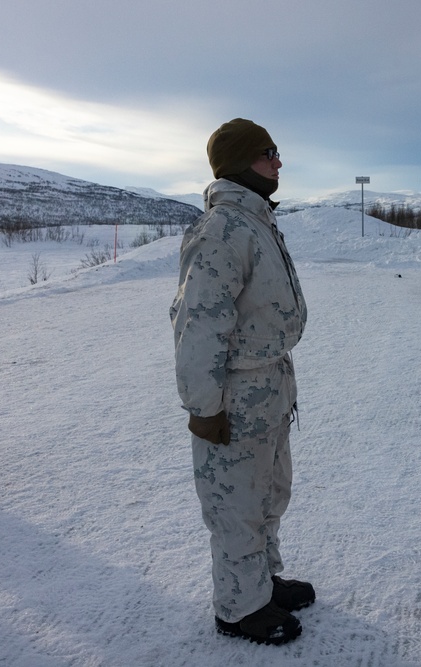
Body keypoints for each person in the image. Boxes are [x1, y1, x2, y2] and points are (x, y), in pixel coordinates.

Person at [170, 118, 312, 645]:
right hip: (235, 394)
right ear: (239, 161)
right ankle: (238, 606)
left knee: (269, 493)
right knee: (235, 502)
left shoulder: (255, 221)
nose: (278, 162)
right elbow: (198, 325)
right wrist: (205, 408)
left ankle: (261, 584)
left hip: (270, 385)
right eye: (268, 152)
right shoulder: (222, 230)